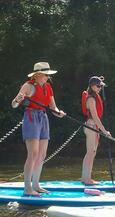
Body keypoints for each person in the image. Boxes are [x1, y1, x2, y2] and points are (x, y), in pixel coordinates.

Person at [11, 62, 66, 196]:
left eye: (48, 75)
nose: (47, 77)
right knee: (33, 154)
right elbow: (14, 104)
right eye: (45, 74)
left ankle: (36, 185)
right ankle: (27, 188)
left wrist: (59, 113)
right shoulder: (28, 86)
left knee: (42, 154)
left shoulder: (48, 87)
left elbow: (53, 108)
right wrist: (18, 99)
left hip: (43, 118)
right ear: (37, 75)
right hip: (31, 118)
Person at [81, 76, 111, 185]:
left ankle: (85, 177)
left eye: (100, 86)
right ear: (92, 86)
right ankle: (86, 178)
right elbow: (95, 117)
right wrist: (104, 131)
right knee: (90, 152)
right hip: (91, 126)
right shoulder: (91, 99)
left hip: (94, 127)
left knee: (91, 153)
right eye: (98, 86)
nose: (99, 88)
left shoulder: (94, 96)